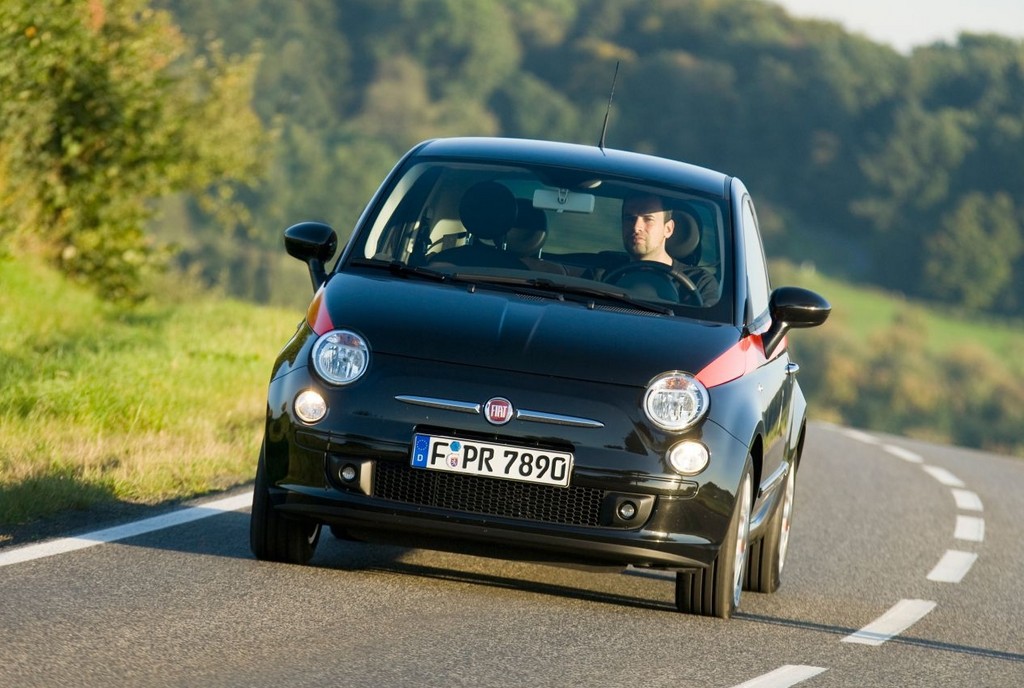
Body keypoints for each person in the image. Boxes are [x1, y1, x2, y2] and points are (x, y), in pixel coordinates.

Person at [614, 193, 718, 304]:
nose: (636, 227)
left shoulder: (698, 284)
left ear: (668, 229)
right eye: (629, 218)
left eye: (648, 219)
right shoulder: (601, 269)